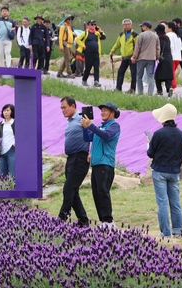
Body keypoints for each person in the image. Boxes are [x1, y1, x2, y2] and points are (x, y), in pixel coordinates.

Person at [147, 104, 182, 238]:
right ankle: (178, 231)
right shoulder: (181, 134)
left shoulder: (158, 134)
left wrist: (149, 144)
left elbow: (150, 153)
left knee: (162, 202)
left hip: (160, 171)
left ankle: (166, 232)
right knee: (175, 202)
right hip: (174, 171)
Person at [81, 102, 121, 226]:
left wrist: (91, 126)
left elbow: (106, 136)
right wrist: (85, 128)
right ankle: (103, 221)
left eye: (105, 110)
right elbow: (88, 138)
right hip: (96, 164)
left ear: (112, 113)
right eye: (101, 110)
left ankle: (109, 221)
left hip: (106, 163)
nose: (102, 113)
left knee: (103, 192)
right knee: (96, 193)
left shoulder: (114, 126)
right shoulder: (100, 126)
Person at [58, 96, 90, 226]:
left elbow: (93, 134)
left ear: (73, 106)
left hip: (80, 158)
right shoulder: (70, 121)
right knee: (73, 190)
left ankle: (61, 219)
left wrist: (91, 152)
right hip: (71, 158)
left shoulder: (82, 118)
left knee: (68, 189)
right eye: (61, 108)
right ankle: (83, 220)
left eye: (64, 107)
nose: (63, 110)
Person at [109, 18, 138, 93]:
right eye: (125, 25)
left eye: (128, 24)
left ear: (131, 25)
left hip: (132, 57)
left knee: (133, 73)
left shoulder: (134, 34)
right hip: (124, 57)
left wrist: (135, 56)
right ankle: (118, 88)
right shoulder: (121, 34)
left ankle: (132, 89)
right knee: (120, 72)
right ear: (123, 26)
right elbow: (117, 44)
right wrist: (112, 51)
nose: (127, 26)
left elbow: (138, 46)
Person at [132, 21, 160, 95]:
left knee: (139, 76)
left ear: (146, 27)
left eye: (142, 26)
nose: (141, 27)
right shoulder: (155, 35)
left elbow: (137, 47)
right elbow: (158, 48)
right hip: (151, 58)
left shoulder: (141, 35)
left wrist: (134, 57)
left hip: (141, 58)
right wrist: (157, 57)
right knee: (150, 75)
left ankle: (140, 92)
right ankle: (150, 93)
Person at [76, 20, 106, 87]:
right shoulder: (85, 33)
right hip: (88, 53)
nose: (93, 26)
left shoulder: (97, 33)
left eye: (94, 24)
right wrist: (83, 46)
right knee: (88, 68)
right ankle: (84, 80)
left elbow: (104, 37)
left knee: (96, 67)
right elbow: (77, 39)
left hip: (96, 53)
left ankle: (96, 81)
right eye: (92, 24)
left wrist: (100, 31)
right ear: (88, 25)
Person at [0, 104, 15, 178]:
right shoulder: (0, 124)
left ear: (12, 112)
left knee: (13, 173)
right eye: (4, 111)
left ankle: (13, 188)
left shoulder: (15, 123)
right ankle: (5, 189)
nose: (6, 112)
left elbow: (22, 136)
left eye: (8, 110)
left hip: (12, 150)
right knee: (2, 175)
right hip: (1, 151)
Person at [154, 23, 174, 97]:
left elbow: (157, 49)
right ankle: (169, 88)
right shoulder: (167, 39)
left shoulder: (157, 39)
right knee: (168, 76)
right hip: (168, 58)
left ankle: (159, 91)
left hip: (160, 58)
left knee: (158, 76)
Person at [166, 21, 182, 91]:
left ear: (170, 28)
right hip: (178, 57)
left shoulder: (168, 35)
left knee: (171, 73)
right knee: (172, 72)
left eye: (166, 27)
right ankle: (171, 85)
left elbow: (170, 46)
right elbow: (181, 47)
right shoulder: (177, 36)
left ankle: (173, 86)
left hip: (171, 57)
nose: (165, 28)